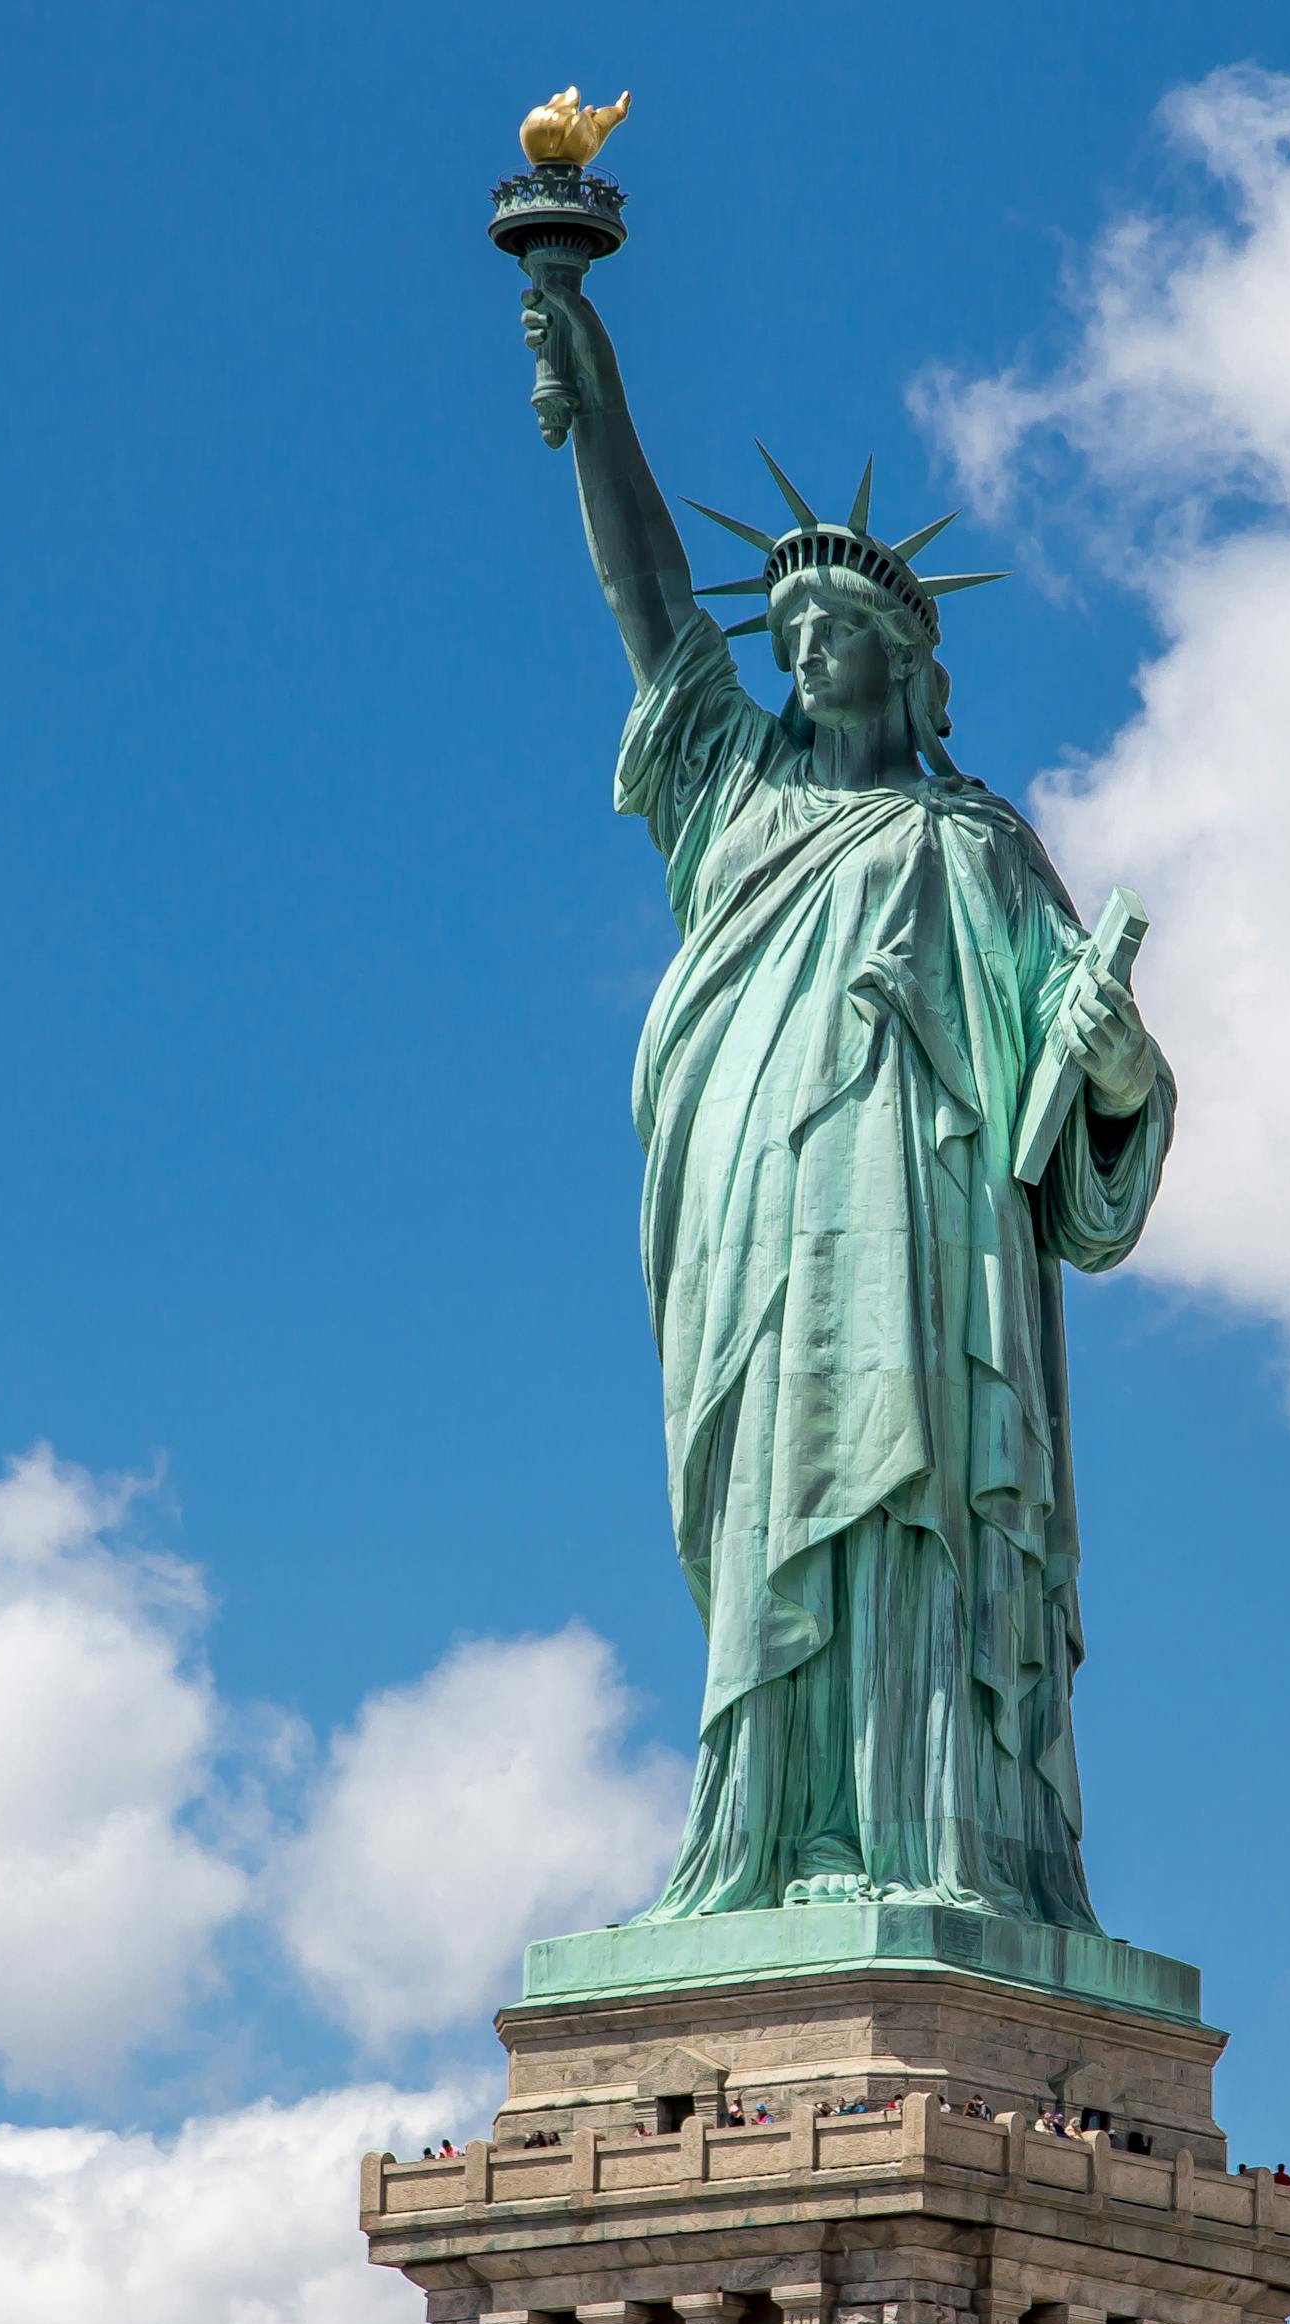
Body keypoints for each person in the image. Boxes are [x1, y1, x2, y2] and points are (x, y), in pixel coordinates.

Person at [515, 279, 1174, 1926]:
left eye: (842, 631)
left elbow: (1086, 1109)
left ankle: (930, 1843)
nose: (806, 649)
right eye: (791, 632)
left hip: (929, 1229)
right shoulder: (734, 794)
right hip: (754, 1216)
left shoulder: (979, 846)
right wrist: (594, 393)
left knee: (917, 1500)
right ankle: (761, 1839)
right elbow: (651, 599)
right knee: (772, 1504)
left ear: (912, 667)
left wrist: (1105, 1065)